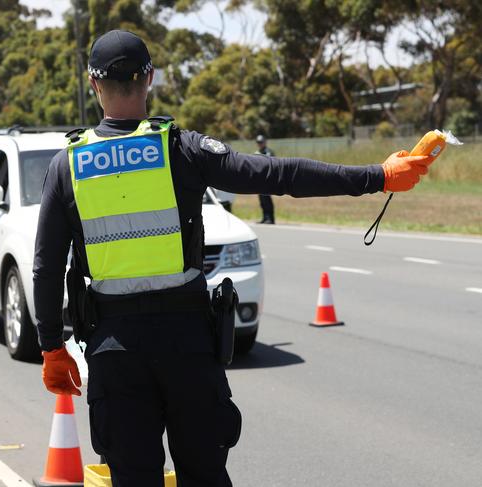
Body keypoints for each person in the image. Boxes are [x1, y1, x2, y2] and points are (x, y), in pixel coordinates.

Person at [33, 30, 431, 487]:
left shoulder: (69, 165)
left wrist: (50, 346)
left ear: (92, 83)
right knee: (204, 475)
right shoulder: (181, 149)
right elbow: (279, 174)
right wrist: (377, 176)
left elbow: (46, 265)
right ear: (150, 78)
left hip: (114, 352)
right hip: (187, 345)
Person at [255, 134, 276, 223]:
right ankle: (265, 217)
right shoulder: (256, 153)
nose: (260, 144)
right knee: (262, 200)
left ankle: (270, 218)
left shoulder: (269, 152)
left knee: (267, 199)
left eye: (261, 142)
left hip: (268, 179)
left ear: (265, 142)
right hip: (259, 180)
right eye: (258, 142)